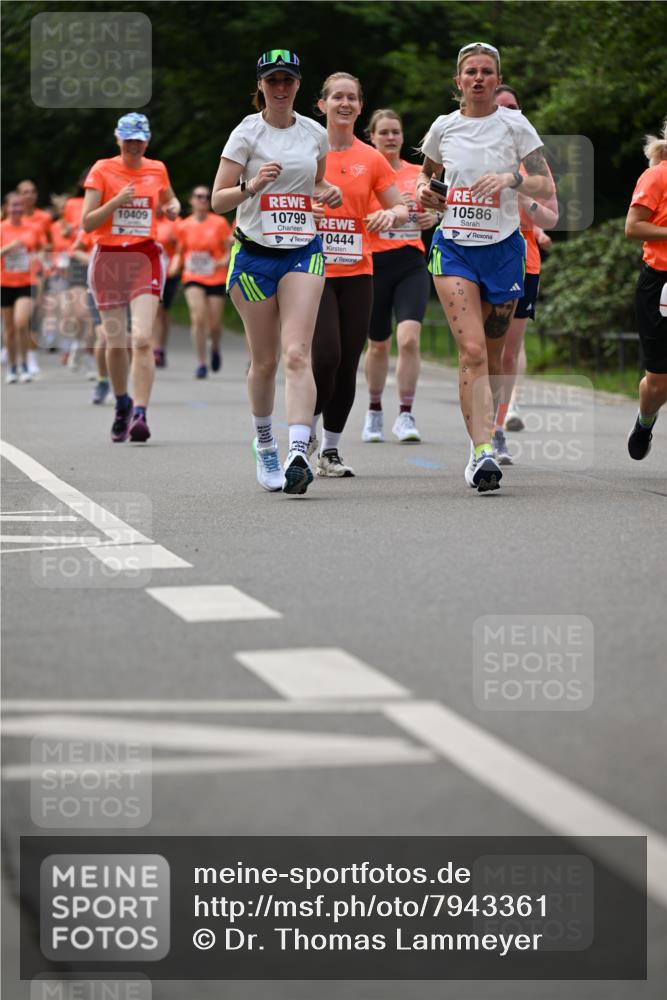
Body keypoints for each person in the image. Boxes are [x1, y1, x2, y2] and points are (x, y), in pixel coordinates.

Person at [417, 42, 554, 491]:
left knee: (493, 360)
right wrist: (427, 194)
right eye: (471, 72)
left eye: (487, 72)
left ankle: (487, 433)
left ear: (497, 80)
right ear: (458, 81)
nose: (478, 78)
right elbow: (427, 177)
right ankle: (480, 454)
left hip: (503, 249)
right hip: (454, 247)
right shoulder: (444, 127)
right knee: (472, 351)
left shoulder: (514, 125)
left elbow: (545, 185)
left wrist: (511, 178)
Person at [211, 49, 342, 495]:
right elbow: (218, 199)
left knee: (296, 353)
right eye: (273, 81)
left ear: (299, 85)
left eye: (288, 80)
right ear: (261, 86)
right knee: (264, 361)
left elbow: (315, 182)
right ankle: (266, 442)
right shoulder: (246, 133)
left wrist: (329, 193)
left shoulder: (315, 134)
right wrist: (252, 186)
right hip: (253, 258)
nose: (281, 88)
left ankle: (298, 451)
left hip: (303, 251)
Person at [311, 74, 408, 476]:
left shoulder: (371, 158)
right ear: (322, 105)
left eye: (351, 97)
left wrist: (391, 213)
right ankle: (305, 436)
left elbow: (402, 206)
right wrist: (307, 209)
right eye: (337, 97)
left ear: (360, 106)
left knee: (349, 361)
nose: (344, 103)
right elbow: (273, 199)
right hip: (310, 270)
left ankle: (330, 451)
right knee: (324, 356)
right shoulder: (304, 147)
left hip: (357, 270)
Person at [82, 112, 180, 442]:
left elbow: (169, 198)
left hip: (144, 256)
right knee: (116, 340)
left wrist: (173, 208)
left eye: (139, 140)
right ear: (118, 140)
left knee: (140, 339)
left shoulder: (157, 168)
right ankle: (122, 403)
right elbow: (87, 223)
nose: (134, 145)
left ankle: (140, 412)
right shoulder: (102, 169)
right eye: (128, 140)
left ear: (147, 141)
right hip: (109, 258)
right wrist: (117, 201)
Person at [490, 85, 559, 464]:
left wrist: (523, 198)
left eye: (514, 107)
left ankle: (497, 429)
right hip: (482, 258)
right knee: (483, 349)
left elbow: (552, 217)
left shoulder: (534, 162)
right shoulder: (474, 150)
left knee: (508, 353)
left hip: (524, 262)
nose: (508, 113)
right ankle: (480, 429)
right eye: (501, 108)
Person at [362, 108, 435, 444]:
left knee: (408, 339)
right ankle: (374, 411)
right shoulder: (364, 173)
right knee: (378, 345)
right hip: (374, 264)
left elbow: (441, 207)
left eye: (396, 132)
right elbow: (349, 212)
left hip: (411, 263)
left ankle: (405, 414)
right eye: (384, 133)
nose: (390, 138)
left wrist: (431, 217)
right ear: (371, 136)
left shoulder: (418, 172)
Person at [625, 116, 667, 460]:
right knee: (659, 382)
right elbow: (633, 227)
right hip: (660, 283)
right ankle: (645, 421)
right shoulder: (656, 176)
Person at [177, 186, 232, 378]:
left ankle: (215, 347)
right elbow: (180, 253)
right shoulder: (183, 225)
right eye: (199, 196)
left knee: (214, 325)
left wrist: (223, 261)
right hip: (193, 276)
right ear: (191, 200)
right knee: (198, 318)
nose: (203, 200)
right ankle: (201, 362)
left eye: (207, 197)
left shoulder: (219, 223)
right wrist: (171, 268)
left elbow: (229, 249)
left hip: (215, 276)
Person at [1, 191, 44, 383]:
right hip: (5, 282)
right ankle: (12, 366)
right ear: (6, 208)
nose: (17, 209)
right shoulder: (1, 228)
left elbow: (41, 251)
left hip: (27, 282)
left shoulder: (32, 228)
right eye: (13, 205)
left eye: (19, 205)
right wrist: (10, 247)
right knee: (9, 329)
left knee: (21, 322)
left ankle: (26, 364)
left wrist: (39, 261)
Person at [153, 204, 181, 368]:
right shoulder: (144, 221)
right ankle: (154, 349)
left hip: (168, 271)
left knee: (163, 312)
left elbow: (180, 246)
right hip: (148, 270)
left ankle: (161, 347)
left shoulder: (174, 222)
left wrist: (176, 262)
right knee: (155, 309)